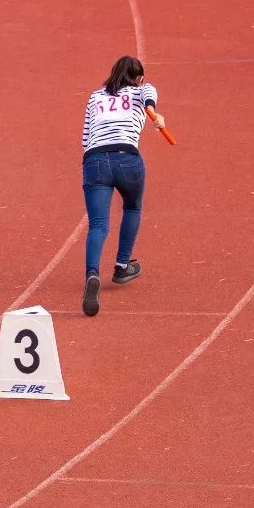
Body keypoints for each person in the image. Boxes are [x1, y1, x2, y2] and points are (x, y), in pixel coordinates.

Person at [80, 55, 168, 318]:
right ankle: (121, 265)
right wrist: (154, 112)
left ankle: (92, 274)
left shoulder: (95, 97)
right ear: (139, 78)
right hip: (127, 158)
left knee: (98, 224)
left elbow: (86, 136)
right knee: (132, 207)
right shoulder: (143, 91)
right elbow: (150, 93)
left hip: (95, 159)